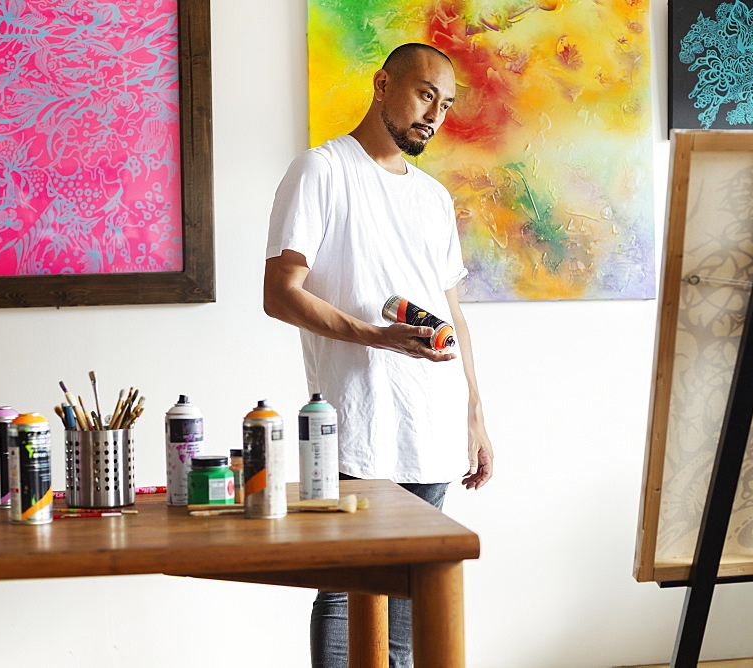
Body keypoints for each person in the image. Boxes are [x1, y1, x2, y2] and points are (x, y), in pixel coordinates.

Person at [263, 42, 494, 667]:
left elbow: (453, 315)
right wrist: (375, 336)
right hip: (355, 422)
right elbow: (280, 295)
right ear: (381, 83)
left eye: (445, 105)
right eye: (425, 94)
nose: (434, 115)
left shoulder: (433, 196)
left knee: (413, 596)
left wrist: (474, 411)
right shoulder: (321, 170)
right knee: (346, 592)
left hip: (434, 422)